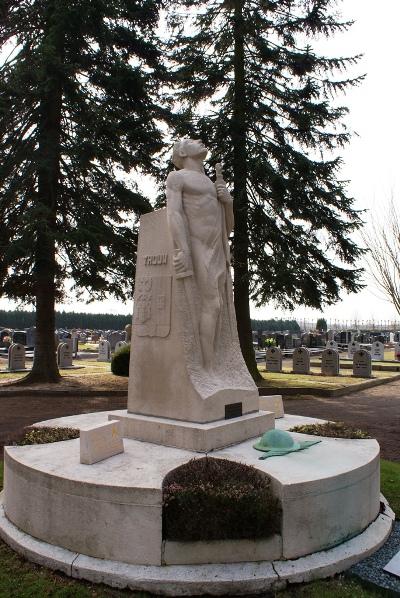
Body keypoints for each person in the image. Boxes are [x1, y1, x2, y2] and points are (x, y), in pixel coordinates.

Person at [166, 138, 234, 369]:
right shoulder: (177, 177)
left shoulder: (210, 182)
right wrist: (182, 249)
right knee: (213, 304)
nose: (199, 140)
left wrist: (228, 203)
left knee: (218, 305)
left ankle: (211, 361)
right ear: (183, 151)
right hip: (198, 246)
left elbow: (228, 227)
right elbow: (174, 213)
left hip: (217, 248)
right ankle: (208, 364)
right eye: (192, 140)